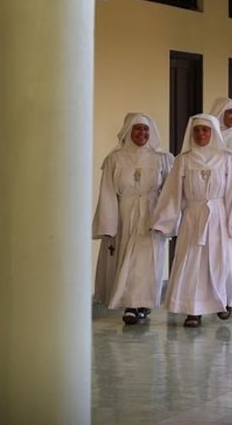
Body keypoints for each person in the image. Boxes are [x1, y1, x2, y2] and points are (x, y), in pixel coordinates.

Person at [152, 114, 232, 327]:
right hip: (193, 218)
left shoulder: (229, 159)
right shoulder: (184, 160)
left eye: (205, 130)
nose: (201, 134)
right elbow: (173, 194)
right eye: (197, 130)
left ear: (213, 133)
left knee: (223, 261)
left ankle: (223, 301)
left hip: (220, 217)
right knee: (193, 262)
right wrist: (163, 221)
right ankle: (193, 310)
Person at [92, 113, 174, 325]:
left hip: (151, 214)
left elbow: (169, 191)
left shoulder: (162, 158)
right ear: (128, 131)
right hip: (125, 213)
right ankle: (130, 304)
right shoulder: (115, 159)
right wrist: (108, 224)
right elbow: (108, 193)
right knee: (127, 258)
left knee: (148, 260)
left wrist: (166, 220)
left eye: (146, 129)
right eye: (137, 129)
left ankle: (143, 303)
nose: (142, 133)